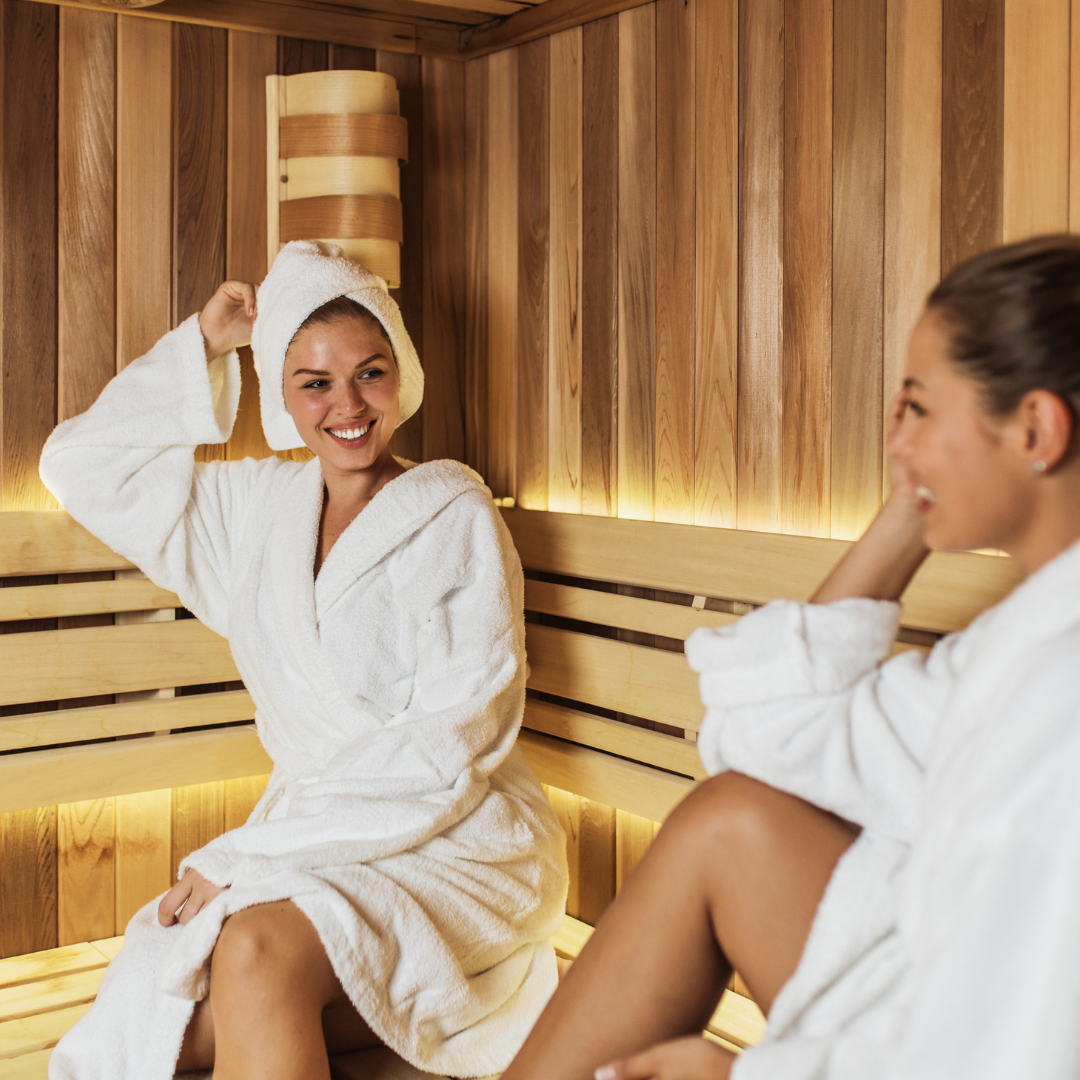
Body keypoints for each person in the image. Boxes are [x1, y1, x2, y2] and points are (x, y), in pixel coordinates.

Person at [500, 234, 1080, 1080]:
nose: (900, 441)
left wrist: (742, 1077)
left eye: (919, 408)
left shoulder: (1056, 698)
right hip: (918, 990)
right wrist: (905, 512)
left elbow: (1012, 1043)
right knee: (728, 818)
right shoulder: (1017, 644)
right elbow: (774, 731)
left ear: (1033, 427)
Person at [40, 241, 568, 1080]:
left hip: (458, 838)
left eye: (371, 372)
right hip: (316, 839)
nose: (348, 405)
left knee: (250, 951)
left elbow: (451, 747)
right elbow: (77, 466)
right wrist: (204, 349)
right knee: (171, 1017)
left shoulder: (452, 516)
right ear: (282, 397)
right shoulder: (258, 513)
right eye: (313, 382)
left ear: (403, 374)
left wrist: (239, 861)